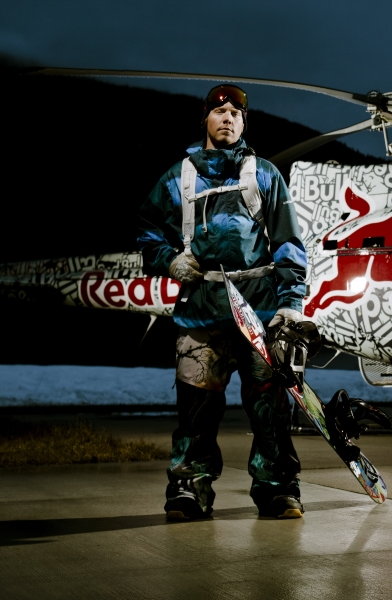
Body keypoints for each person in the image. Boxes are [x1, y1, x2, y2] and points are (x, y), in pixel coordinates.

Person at [138, 84, 307, 520]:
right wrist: (170, 260)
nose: (228, 118)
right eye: (220, 111)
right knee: (196, 410)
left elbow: (288, 242)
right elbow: (148, 234)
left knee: (270, 407)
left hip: (259, 314)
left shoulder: (264, 175)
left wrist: (290, 304)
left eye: (236, 113)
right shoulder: (176, 179)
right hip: (200, 313)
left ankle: (277, 489)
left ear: (244, 123)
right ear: (205, 119)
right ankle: (189, 489)